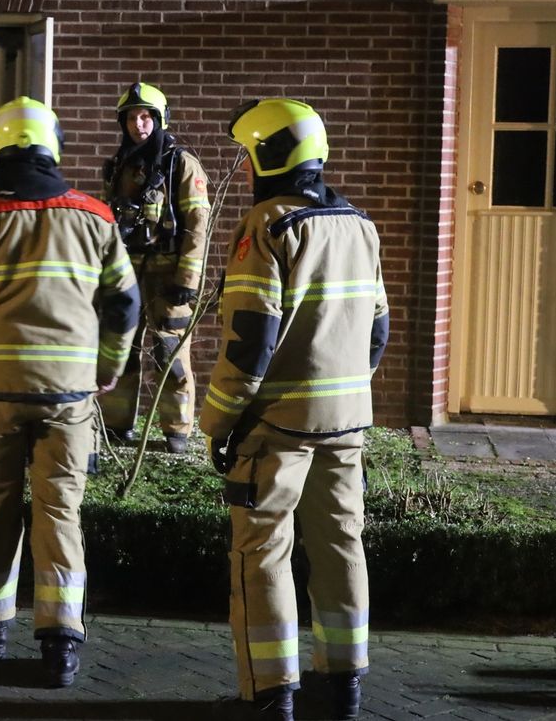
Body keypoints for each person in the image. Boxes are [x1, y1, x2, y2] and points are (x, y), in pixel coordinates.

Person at [0, 97, 140, 688]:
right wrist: (107, 366)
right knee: (59, 511)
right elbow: (126, 302)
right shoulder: (98, 217)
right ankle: (60, 644)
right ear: (53, 145)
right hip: (69, 398)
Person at [198, 99, 389, 721]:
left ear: (264, 156)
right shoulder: (359, 225)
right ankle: (344, 689)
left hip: (277, 427)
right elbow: (378, 330)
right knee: (341, 546)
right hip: (349, 421)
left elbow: (250, 339)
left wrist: (217, 420)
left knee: (262, 554)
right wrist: (350, 389)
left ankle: (270, 694)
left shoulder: (269, 226)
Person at [99, 82, 211, 454]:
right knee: (122, 351)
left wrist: (188, 280)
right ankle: (117, 427)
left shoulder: (181, 164)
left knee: (170, 355)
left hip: (168, 279)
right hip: (126, 276)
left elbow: (198, 224)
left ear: (159, 119)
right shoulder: (120, 165)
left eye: (146, 116)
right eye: (132, 117)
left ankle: (176, 433)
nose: (139, 124)